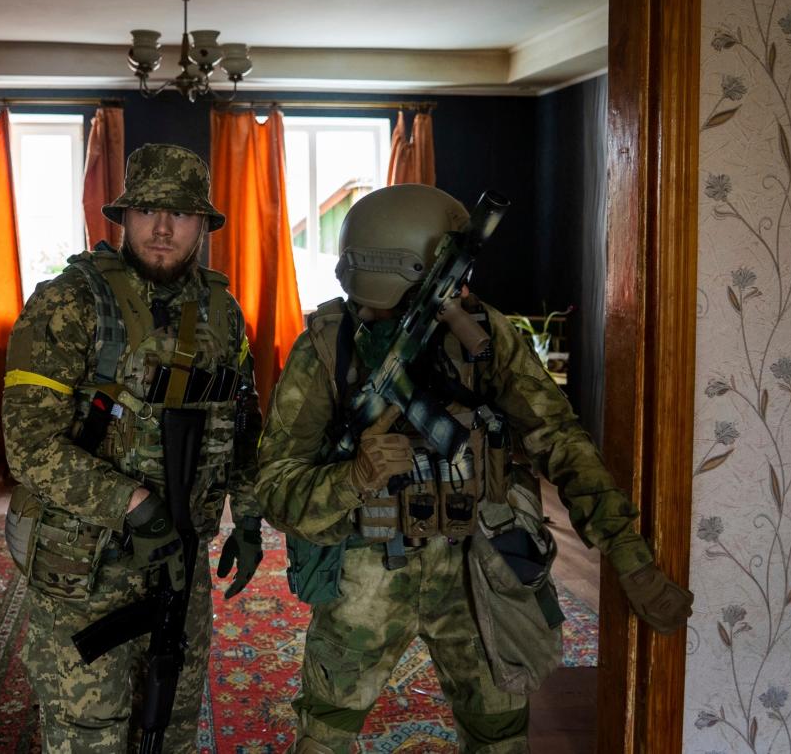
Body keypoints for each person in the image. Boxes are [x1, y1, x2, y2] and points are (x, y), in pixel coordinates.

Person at [255, 183, 693, 753]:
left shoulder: (486, 335)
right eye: (365, 300)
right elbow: (274, 486)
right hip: (367, 568)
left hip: (479, 563)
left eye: (386, 301)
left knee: (500, 735)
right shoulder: (326, 346)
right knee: (325, 733)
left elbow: (559, 439)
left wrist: (628, 556)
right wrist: (352, 479)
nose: (370, 313)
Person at [1, 143, 265, 752]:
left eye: (180, 213)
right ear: (123, 217)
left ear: (203, 223)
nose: (163, 228)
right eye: (147, 210)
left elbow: (243, 425)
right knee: (87, 732)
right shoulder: (68, 303)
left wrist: (248, 516)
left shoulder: (223, 313)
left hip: (181, 559)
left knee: (168, 721)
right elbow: (30, 447)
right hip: (89, 567)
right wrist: (133, 503)